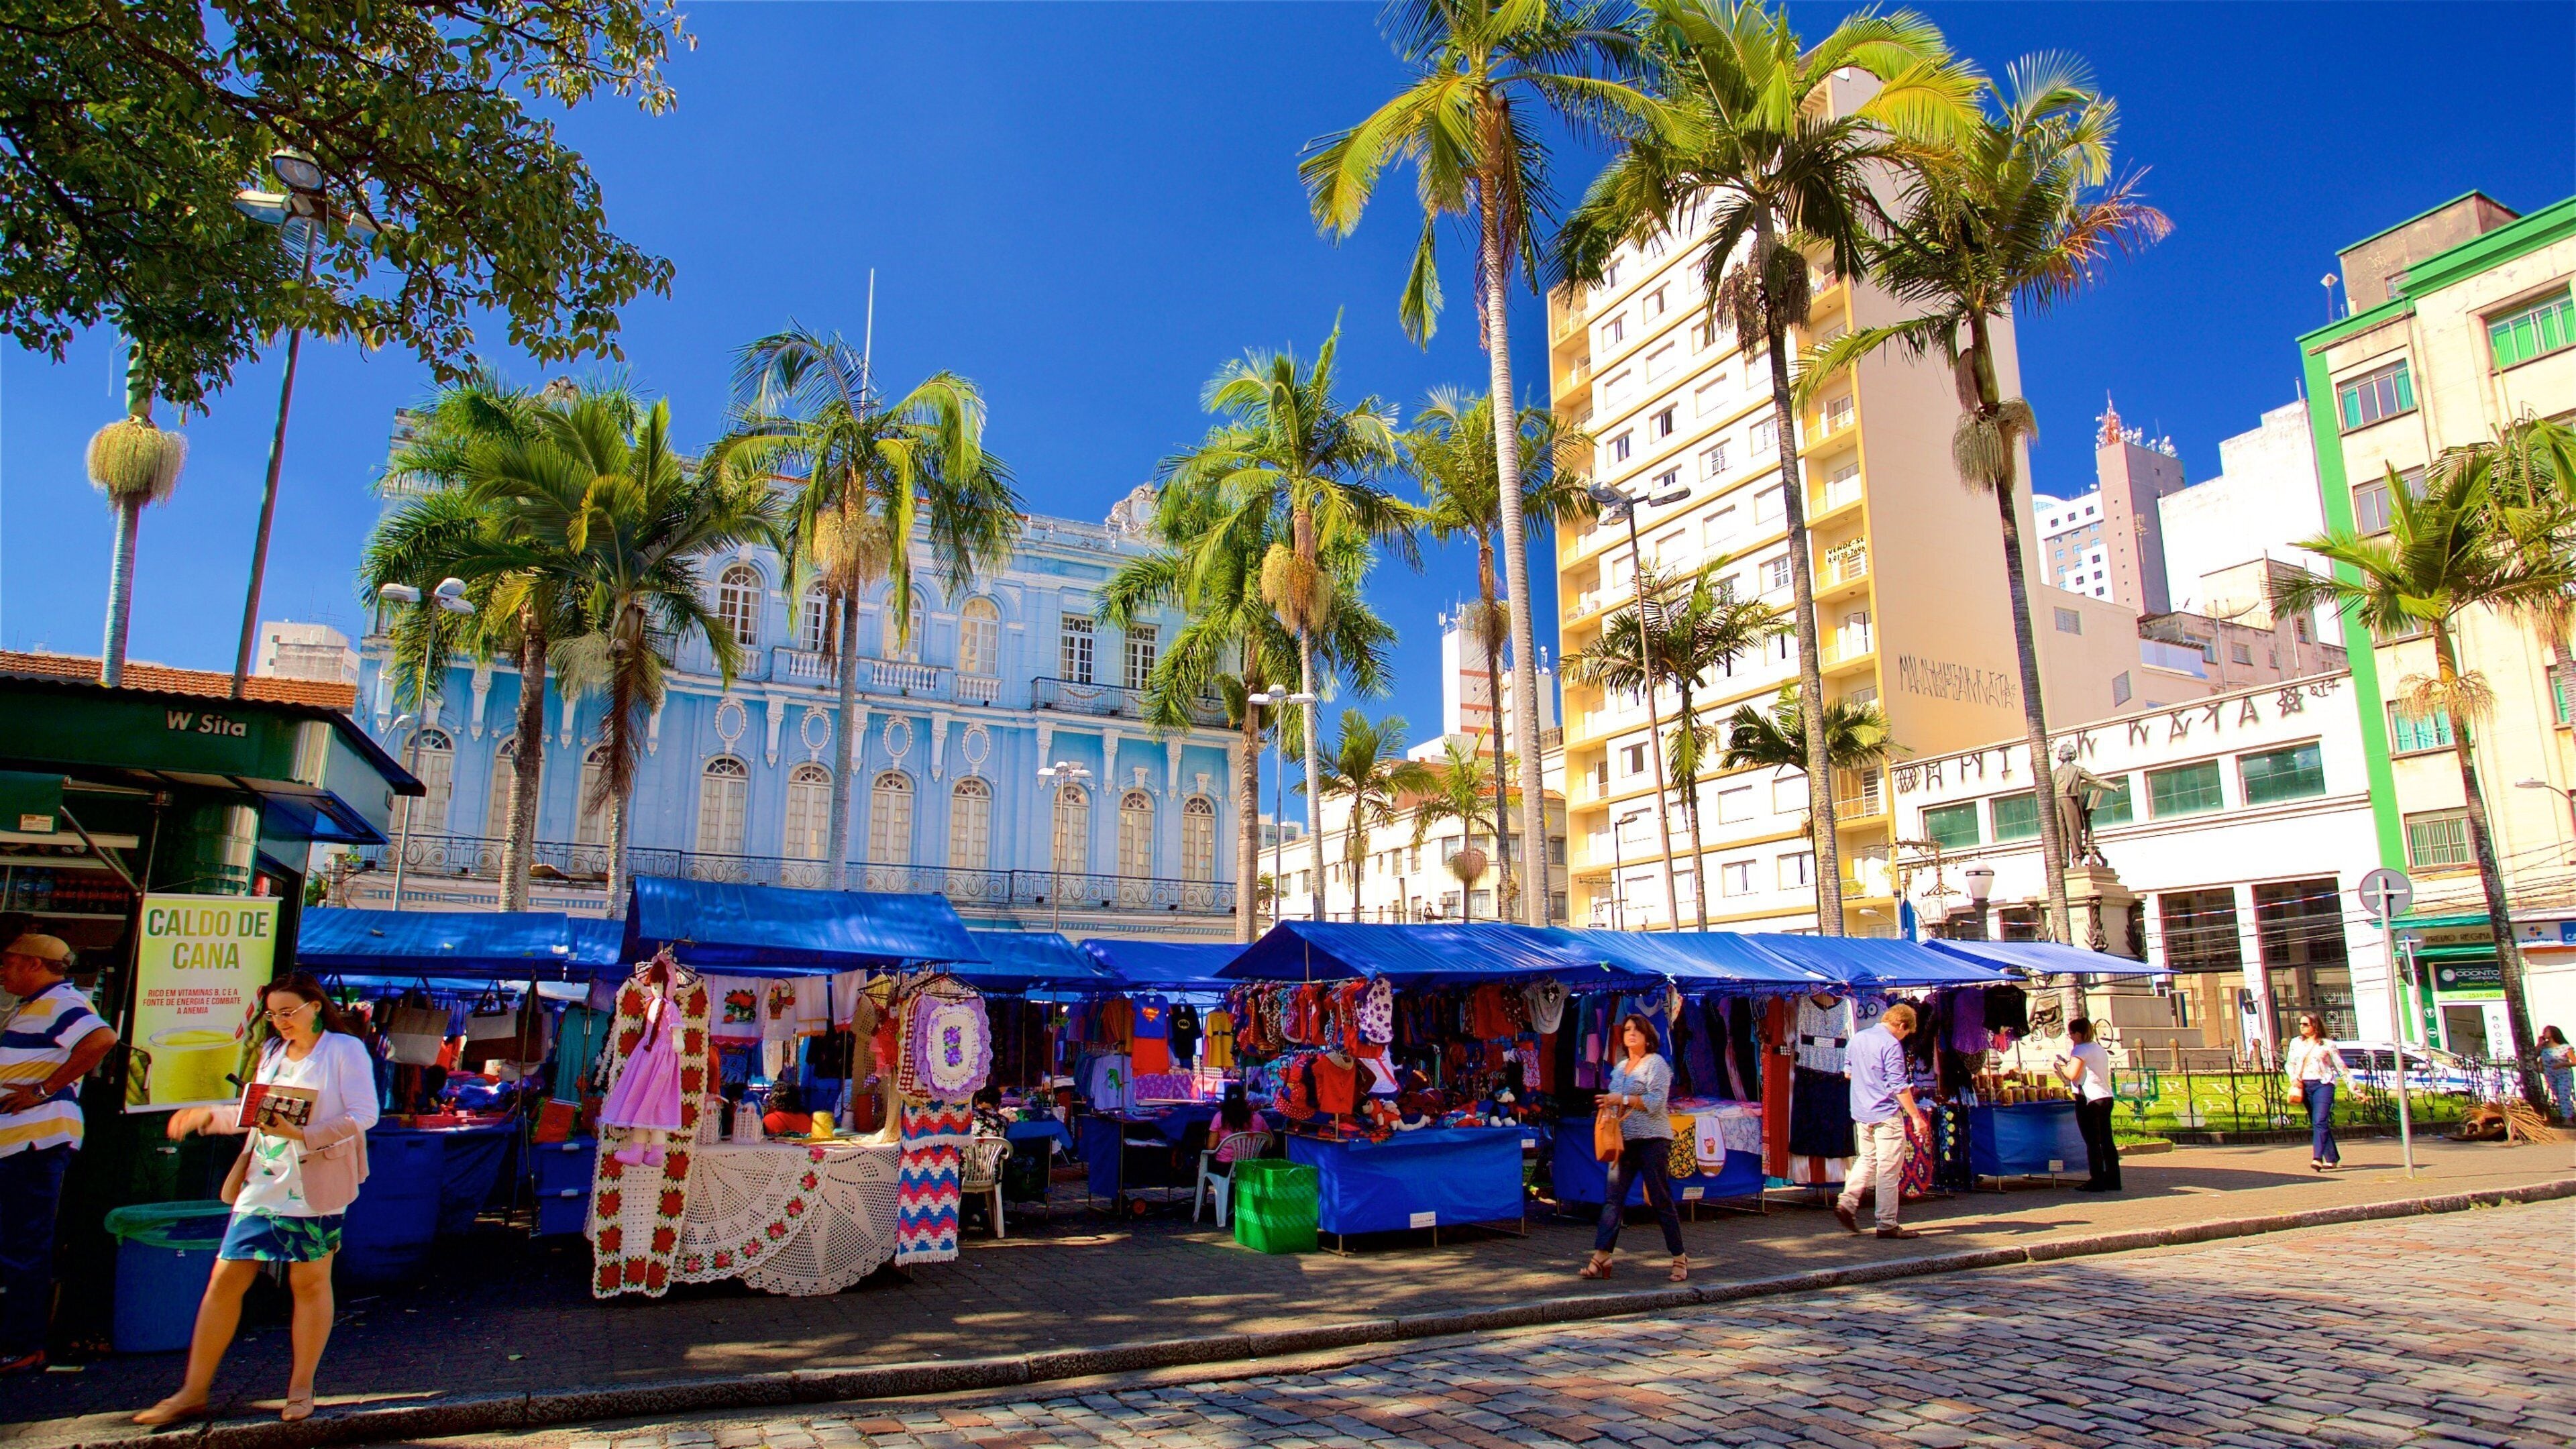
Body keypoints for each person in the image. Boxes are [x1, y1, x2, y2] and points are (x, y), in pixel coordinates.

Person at [136, 973, 377, 1426]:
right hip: (262, 1180)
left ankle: (301, 1388)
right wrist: (211, 1116)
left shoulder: (344, 1050)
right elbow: (255, 1113)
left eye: (288, 1012)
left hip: (315, 1182)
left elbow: (364, 1115)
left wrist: (303, 1134)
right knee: (225, 1279)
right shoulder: (271, 1052)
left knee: (309, 1284)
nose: (281, 1021)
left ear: (315, 1006)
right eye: (272, 1014)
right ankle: (193, 1391)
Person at [0, 934, 116, 1375]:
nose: (2, 970)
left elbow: (102, 1039)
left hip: (35, 1140)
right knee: (16, 1240)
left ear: (35, 964)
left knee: (24, 1242)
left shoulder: (61, 1002)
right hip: (21, 1140)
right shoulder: (34, 1005)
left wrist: (42, 1091)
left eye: (9, 962)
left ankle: (24, 1345)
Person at [1582, 1013, 1687, 1283]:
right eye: (1627, 1029)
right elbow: (1616, 1100)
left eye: (1636, 1030)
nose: (1630, 1034)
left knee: (1660, 1199)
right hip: (1624, 1141)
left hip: (1653, 1140)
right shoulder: (1620, 1068)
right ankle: (1602, 1254)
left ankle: (1679, 1257)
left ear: (1647, 1037)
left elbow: (1655, 1102)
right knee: (1613, 1199)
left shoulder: (1656, 1064)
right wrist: (1609, 1104)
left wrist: (1623, 1099)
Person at [1834, 1001, 1929, 1240]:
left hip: (1861, 1111)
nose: (1905, 1037)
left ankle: (1847, 1201)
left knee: (1866, 1159)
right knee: (1888, 1170)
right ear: (1902, 1025)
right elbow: (1899, 1087)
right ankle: (1886, 1223)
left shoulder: (1858, 1038)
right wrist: (1916, 1117)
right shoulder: (1891, 1044)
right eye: (1907, 1032)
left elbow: (1848, 1073)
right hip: (1886, 1113)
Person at [2054, 1018, 2121, 1193]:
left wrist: (2063, 1066)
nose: (2071, 1037)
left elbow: (2073, 1075)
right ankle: (2113, 1178)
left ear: (2078, 1033)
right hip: (2105, 1096)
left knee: (2092, 1141)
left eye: (2071, 1034)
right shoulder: (2098, 1048)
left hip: (2089, 1098)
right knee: (2107, 1140)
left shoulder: (2080, 1049)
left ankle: (2097, 1179)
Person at [2282, 1014, 2347, 1172]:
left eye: (2306, 1024)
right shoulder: (2296, 1043)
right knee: (2317, 1122)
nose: (2302, 1027)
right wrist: (2294, 1078)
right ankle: (2332, 1157)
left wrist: (2356, 1090)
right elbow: (2290, 1064)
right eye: (2301, 1024)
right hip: (2304, 1086)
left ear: (2315, 1026)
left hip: (2323, 1084)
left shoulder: (2327, 1045)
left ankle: (2317, 1158)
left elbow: (2342, 1068)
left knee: (2320, 1120)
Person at [2538, 1026, 2574, 1124]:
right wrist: (2539, 1043)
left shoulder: (2565, 1047)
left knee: (2563, 1096)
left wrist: (2562, 1064)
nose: (2544, 1033)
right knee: (2558, 1096)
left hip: (2563, 1075)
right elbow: (2534, 1055)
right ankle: (2565, 1115)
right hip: (2550, 1075)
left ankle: (2568, 1119)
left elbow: (2574, 1062)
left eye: (2546, 1031)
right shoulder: (2544, 1047)